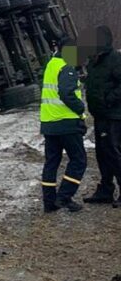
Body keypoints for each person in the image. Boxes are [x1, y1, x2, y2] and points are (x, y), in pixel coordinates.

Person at [40, 37, 87, 213]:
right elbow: (66, 93)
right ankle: (64, 197)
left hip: (49, 123)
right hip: (66, 123)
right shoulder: (67, 67)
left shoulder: (52, 64)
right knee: (79, 160)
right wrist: (81, 109)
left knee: (51, 162)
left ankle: (49, 202)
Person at [84, 25, 121, 207]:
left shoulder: (115, 59)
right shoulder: (94, 61)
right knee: (102, 153)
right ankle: (105, 190)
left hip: (113, 115)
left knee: (113, 152)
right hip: (99, 114)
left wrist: (109, 99)